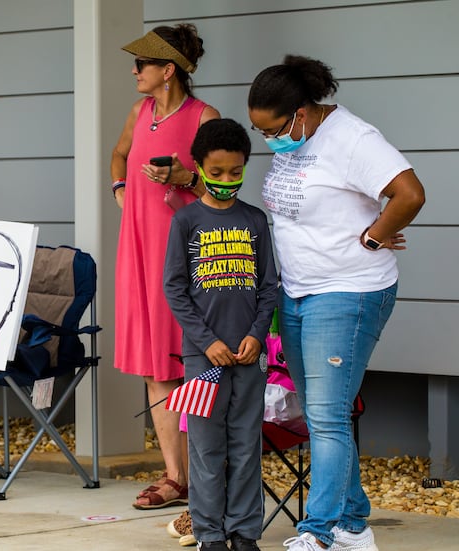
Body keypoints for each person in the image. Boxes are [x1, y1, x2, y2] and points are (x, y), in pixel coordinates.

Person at [247, 55, 426, 551]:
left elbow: (409, 194)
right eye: (260, 131)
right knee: (323, 412)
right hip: (299, 291)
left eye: (275, 128)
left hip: (348, 292)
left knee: (326, 417)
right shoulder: (298, 140)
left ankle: (319, 532)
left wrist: (372, 237)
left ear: (301, 111)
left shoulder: (354, 139)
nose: (270, 140)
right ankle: (353, 525)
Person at [111, 23, 220, 510]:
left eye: (142, 64)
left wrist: (182, 176)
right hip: (137, 245)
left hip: (182, 250)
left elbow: (223, 192)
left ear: (167, 69)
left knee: (187, 358)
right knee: (155, 362)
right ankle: (175, 476)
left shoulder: (204, 117)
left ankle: (204, 471)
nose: (134, 71)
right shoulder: (140, 110)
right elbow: (118, 154)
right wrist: (120, 187)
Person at [163, 118, 279, 551]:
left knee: (246, 446)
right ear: (199, 166)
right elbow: (174, 288)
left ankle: (245, 532)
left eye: (236, 172)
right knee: (207, 450)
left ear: (245, 167)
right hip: (202, 359)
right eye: (217, 172)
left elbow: (269, 286)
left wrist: (256, 334)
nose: (227, 181)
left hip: (250, 357)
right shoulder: (186, 221)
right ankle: (209, 534)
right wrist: (206, 341)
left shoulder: (254, 221)